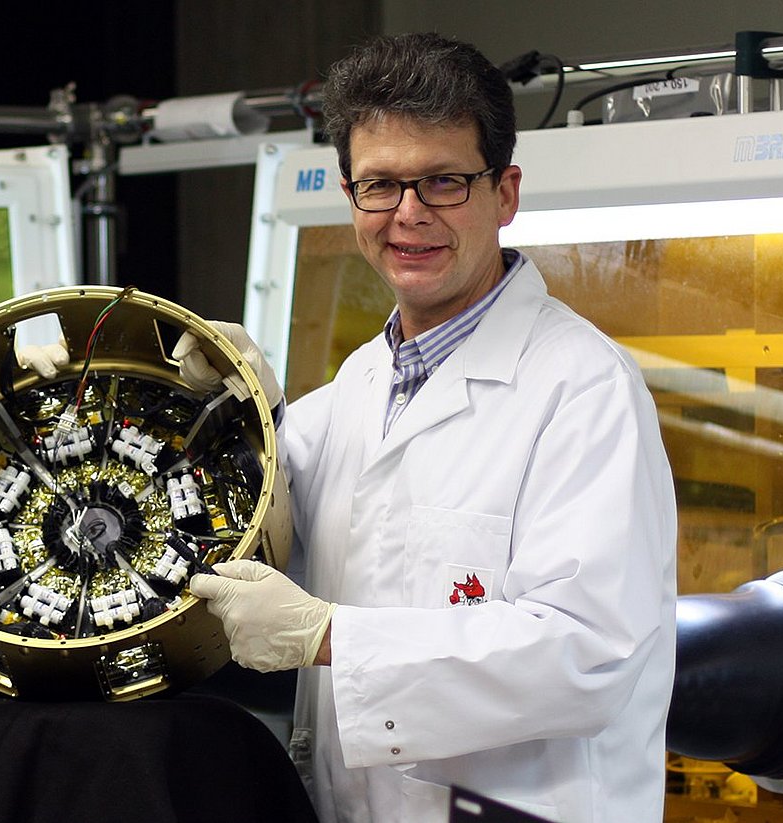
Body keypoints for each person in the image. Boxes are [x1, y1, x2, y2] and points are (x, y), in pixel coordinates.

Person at [179, 33, 678, 823]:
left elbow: (587, 653)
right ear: (351, 198)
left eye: (443, 181)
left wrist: (328, 635)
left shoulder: (584, 389)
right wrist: (231, 409)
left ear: (504, 193)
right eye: (379, 185)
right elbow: (264, 519)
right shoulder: (360, 385)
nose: (408, 215)